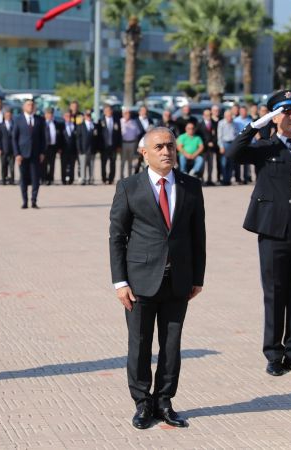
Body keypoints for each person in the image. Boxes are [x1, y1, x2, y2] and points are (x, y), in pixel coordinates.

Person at [228, 90, 291, 377]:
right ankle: (274, 354)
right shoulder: (265, 147)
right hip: (272, 231)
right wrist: (254, 127)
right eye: (284, 113)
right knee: (275, 294)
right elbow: (233, 154)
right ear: (275, 117)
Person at [109, 127, 205, 430]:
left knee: (172, 345)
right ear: (144, 153)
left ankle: (164, 401)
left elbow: (197, 235)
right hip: (139, 283)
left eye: (171, 147)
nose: (167, 152)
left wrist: (197, 277)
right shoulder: (129, 187)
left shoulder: (191, 186)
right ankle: (142, 402)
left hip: (178, 281)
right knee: (139, 344)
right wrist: (120, 282)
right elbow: (117, 237)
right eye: (160, 147)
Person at [12, 98, 45, 208]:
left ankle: (34, 201)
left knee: (36, 179)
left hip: (35, 154)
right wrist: (17, 154)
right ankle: (25, 201)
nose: (30, 106)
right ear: (24, 107)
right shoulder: (18, 120)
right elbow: (14, 138)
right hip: (23, 154)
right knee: (24, 179)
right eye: (28, 105)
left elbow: (43, 138)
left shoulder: (39, 120)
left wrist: (42, 152)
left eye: (32, 105)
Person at [99, 105, 121, 185]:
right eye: (107, 110)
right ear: (104, 112)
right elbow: (99, 135)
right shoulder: (100, 121)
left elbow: (119, 134)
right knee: (103, 163)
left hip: (113, 146)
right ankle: (104, 178)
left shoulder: (116, 120)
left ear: (111, 111)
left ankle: (111, 179)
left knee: (113, 163)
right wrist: (99, 147)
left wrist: (119, 145)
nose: (108, 112)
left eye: (110, 110)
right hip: (104, 146)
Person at [196, 108, 217, 186]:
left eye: (210, 114)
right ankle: (202, 179)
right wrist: (206, 143)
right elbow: (198, 136)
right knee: (203, 165)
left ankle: (209, 179)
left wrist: (213, 143)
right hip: (203, 148)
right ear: (203, 116)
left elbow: (216, 135)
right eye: (206, 115)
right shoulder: (200, 124)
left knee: (210, 165)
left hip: (211, 148)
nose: (208, 116)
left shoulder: (214, 123)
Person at [77, 109, 97, 185]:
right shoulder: (80, 125)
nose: (89, 117)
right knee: (83, 165)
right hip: (83, 149)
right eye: (87, 115)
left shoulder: (94, 125)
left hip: (92, 149)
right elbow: (78, 138)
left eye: (90, 115)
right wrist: (79, 149)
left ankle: (91, 179)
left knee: (91, 165)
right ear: (84, 116)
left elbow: (97, 138)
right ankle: (83, 179)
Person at [217, 110, 237, 186]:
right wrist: (221, 146)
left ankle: (228, 179)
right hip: (225, 144)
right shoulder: (221, 123)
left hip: (232, 144)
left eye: (230, 116)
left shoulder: (234, 123)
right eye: (228, 116)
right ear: (225, 116)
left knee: (231, 163)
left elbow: (236, 134)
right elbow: (219, 136)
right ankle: (224, 179)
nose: (229, 118)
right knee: (224, 163)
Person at [233, 106, 252, 184]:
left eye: (244, 111)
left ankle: (246, 178)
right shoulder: (235, 121)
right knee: (237, 161)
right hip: (239, 143)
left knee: (246, 162)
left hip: (248, 143)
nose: (243, 113)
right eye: (241, 111)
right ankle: (238, 178)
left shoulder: (250, 121)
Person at [42, 108, 61, 185]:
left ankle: (50, 179)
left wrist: (59, 147)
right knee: (44, 164)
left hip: (53, 147)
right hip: (44, 147)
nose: (50, 115)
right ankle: (43, 178)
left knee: (52, 164)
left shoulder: (56, 124)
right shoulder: (42, 123)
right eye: (48, 114)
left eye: (51, 114)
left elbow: (59, 136)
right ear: (45, 115)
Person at [120, 109, 140, 179]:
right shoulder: (121, 121)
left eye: (128, 113)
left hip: (132, 143)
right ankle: (121, 177)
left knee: (130, 161)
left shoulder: (133, 122)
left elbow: (137, 133)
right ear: (123, 114)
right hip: (123, 143)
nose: (127, 115)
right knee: (122, 161)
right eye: (125, 113)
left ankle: (129, 177)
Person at [59, 110, 77, 185]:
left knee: (72, 165)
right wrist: (59, 148)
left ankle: (71, 180)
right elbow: (59, 137)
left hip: (73, 149)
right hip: (63, 149)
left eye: (69, 116)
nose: (68, 118)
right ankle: (63, 180)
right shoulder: (61, 126)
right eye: (66, 116)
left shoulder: (75, 126)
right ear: (64, 117)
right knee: (64, 165)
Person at [0, 109, 15, 185]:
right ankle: (3, 179)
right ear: (4, 116)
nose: (8, 116)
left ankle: (12, 180)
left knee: (12, 166)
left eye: (9, 115)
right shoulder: (1, 125)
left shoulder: (14, 124)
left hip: (12, 149)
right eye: (7, 115)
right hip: (3, 149)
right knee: (3, 165)